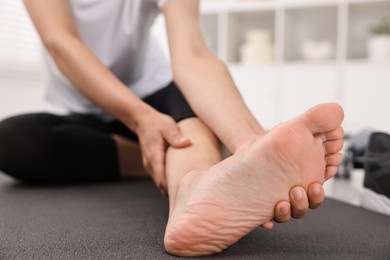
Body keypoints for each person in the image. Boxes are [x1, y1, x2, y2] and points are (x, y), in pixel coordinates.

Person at [0, 0, 344, 257]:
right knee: (11, 141)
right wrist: (140, 118)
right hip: (82, 108)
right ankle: (192, 161)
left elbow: (192, 52)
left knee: (189, 108)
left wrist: (253, 144)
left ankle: (198, 186)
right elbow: (61, 41)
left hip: (153, 92)